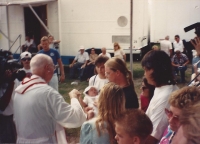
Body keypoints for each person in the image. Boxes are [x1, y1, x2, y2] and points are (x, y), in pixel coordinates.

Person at [13, 54, 90, 143]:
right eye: (53, 67)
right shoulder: (47, 93)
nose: (53, 70)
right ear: (47, 67)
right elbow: (75, 118)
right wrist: (73, 98)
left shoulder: (20, 89)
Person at [141, 50, 179, 144]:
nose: (145, 74)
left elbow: (153, 138)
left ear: (154, 70)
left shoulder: (166, 96)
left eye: (146, 70)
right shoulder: (161, 88)